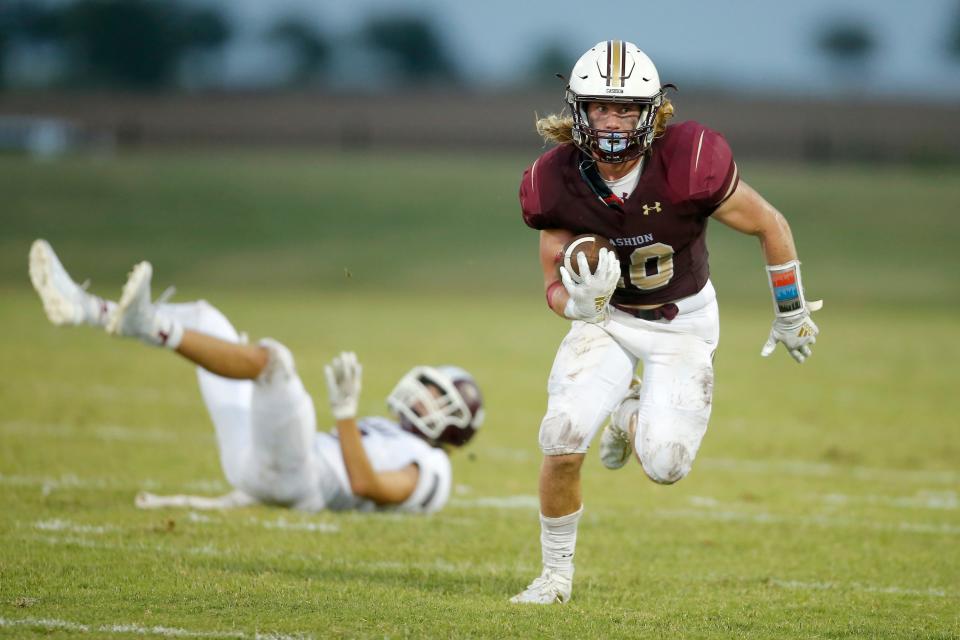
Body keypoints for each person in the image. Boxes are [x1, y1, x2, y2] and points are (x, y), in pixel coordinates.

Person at [510, 41, 822, 604]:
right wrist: (574, 307)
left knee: (667, 466)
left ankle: (627, 415)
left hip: (683, 325)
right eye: (601, 107)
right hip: (606, 321)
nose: (612, 120)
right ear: (577, 110)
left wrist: (791, 306)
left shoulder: (690, 161)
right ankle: (555, 577)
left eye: (626, 108)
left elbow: (769, 223)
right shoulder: (551, 180)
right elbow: (553, 285)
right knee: (560, 439)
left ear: (652, 112)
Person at [28, 239, 484, 514]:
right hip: (262, 464)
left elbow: (369, 486)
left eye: (435, 397)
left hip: (297, 477)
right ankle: (86, 308)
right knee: (206, 318)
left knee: (274, 364)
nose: (421, 398)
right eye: (426, 388)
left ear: (454, 423)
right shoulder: (391, 432)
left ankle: (145, 323)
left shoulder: (434, 469)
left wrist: (344, 413)